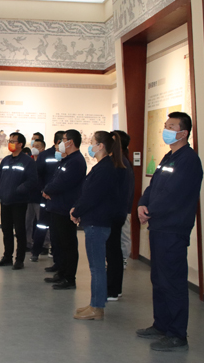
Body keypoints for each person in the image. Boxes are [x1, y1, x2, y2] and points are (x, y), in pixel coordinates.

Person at [136, 112, 203, 352]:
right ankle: (161, 325)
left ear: (183, 133)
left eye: (171, 126)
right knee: (159, 279)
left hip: (173, 229)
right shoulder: (168, 157)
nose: (166, 130)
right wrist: (142, 204)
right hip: (158, 227)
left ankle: (177, 334)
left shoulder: (189, 160)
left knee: (172, 282)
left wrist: (150, 211)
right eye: (166, 126)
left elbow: (174, 194)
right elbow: (153, 186)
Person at [71, 131, 125, 320]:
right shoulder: (103, 166)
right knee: (96, 266)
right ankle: (95, 303)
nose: (90, 146)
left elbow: (92, 196)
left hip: (97, 222)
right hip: (95, 220)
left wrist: (76, 211)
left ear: (100, 146)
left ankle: (97, 308)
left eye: (93, 142)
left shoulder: (105, 168)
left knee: (97, 267)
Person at [42, 130, 86, 290]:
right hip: (56, 206)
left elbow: (64, 183)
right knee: (58, 242)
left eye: (64, 139)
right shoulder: (66, 160)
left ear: (71, 142)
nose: (61, 143)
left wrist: (48, 190)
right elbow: (55, 178)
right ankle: (61, 272)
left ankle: (69, 278)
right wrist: (47, 189)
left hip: (65, 208)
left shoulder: (76, 161)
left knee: (68, 244)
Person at [0, 132, 38, 270]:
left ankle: (19, 260)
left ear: (20, 144)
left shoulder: (28, 161)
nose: (10, 143)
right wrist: (0, 190)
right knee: (6, 230)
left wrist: (18, 190)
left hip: (19, 202)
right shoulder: (5, 160)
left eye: (13, 141)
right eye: (10, 140)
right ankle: (7, 257)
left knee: (19, 231)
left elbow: (32, 181)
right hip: (5, 201)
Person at [106, 130, 134, 300]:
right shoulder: (116, 162)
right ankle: (112, 287)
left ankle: (113, 289)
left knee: (114, 252)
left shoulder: (121, 164)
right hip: (114, 213)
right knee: (111, 252)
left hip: (115, 214)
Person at [35, 131, 65, 270]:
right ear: (57, 142)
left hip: (60, 199)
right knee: (42, 225)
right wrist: (44, 191)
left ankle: (56, 255)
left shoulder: (67, 156)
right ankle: (36, 251)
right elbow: (38, 175)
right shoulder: (45, 155)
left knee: (57, 229)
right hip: (46, 197)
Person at [115, 131, 134, 270]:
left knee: (123, 234)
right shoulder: (116, 160)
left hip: (122, 207)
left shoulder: (123, 162)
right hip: (117, 208)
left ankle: (123, 259)